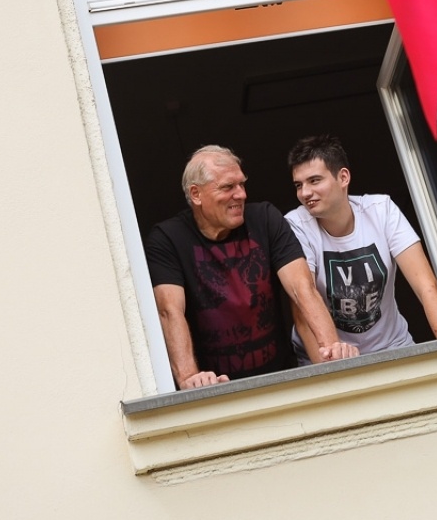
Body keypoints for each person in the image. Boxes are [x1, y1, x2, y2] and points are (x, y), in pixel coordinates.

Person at [144, 145, 356, 390]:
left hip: (281, 377)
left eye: (242, 184)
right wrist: (190, 379)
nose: (241, 194)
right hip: (217, 389)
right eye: (228, 187)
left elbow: (302, 289)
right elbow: (170, 311)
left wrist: (333, 352)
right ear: (196, 194)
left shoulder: (265, 218)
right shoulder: (168, 238)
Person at [284, 135, 437, 359]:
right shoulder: (296, 225)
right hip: (325, 355)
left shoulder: (381, 210)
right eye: (299, 185)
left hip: (393, 345)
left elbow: (427, 288)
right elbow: (302, 311)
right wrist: (331, 376)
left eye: (314, 180)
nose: (305, 193)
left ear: (343, 177)